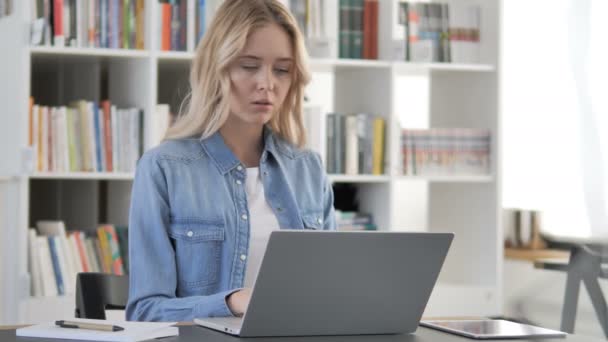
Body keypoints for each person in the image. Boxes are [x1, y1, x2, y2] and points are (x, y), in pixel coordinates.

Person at [126, 0, 336, 322]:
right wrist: (232, 301)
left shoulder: (308, 169)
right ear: (217, 67)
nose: (267, 83)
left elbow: (331, 292)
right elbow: (145, 310)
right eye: (249, 66)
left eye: (282, 70)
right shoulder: (164, 168)